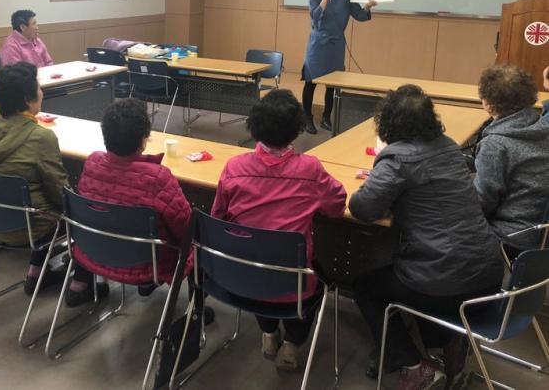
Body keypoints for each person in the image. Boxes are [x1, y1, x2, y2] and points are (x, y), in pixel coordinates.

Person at [349, 85, 504, 390]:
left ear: (387, 123)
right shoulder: (449, 147)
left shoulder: (398, 159)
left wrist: (380, 167)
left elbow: (362, 209)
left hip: (445, 280)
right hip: (489, 273)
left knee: (365, 286)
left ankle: (414, 365)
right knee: (423, 273)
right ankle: (449, 343)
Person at [211, 89, 347, 371]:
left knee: (261, 260)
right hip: (293, 284)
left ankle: (269, 334)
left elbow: (217, 218)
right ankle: (292, 343)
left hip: (243, 277)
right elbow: (336, 206)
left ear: (253, 126)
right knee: (314, 276)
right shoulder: (310, 169)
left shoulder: (234, 167)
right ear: (297, 129)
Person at [0, 62, 95, 299]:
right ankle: (81, 284)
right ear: (27, 100)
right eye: (38, 88)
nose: (42, 92)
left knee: (35, 201)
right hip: (29, 227)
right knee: (82, 212)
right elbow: (59, 193)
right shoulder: (41, 137)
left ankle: (36, 273)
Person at [76, 98, 192, 304]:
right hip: (147, 266)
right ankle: (195, 312)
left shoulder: (92, 162)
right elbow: (186, 229)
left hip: (93, 252)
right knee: (198, 243)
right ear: (144, 140)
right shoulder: (158, 178)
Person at [475, 65, 549, 256]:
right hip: (540, 234)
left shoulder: (495, 144)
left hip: (509, 239)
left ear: (488, 104)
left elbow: (482, 204)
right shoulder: (543, 126)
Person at [302, 0, 377, 134]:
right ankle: (307, 118)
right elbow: (315, 17)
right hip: (317, 45)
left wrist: (368, 6)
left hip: (336, 46)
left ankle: (326, 118)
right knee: (310, 82)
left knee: (332, 84)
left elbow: (360, 15)